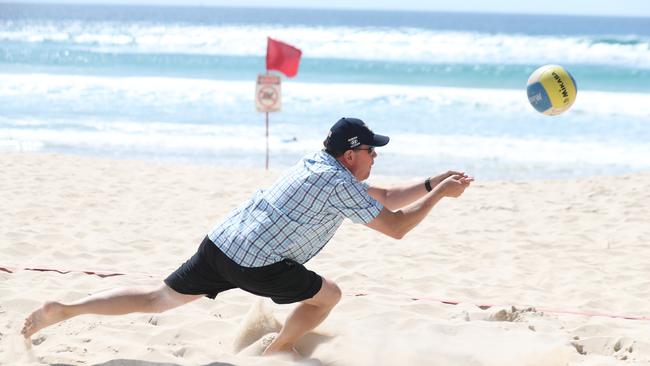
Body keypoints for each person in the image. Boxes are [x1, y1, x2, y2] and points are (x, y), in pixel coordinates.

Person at [21, 117, 473, 356]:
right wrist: (439, 200)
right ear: (351, 154)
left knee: (158, 297)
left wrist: (433, 183)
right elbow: (395, 227)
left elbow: (390, 194)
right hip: (259, 263)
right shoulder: (338, 185)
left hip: (223, 241)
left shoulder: (317, 164)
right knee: (328, 296)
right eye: (371, 149)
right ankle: (277, 351)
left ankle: (66, 310)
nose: (375, 155)